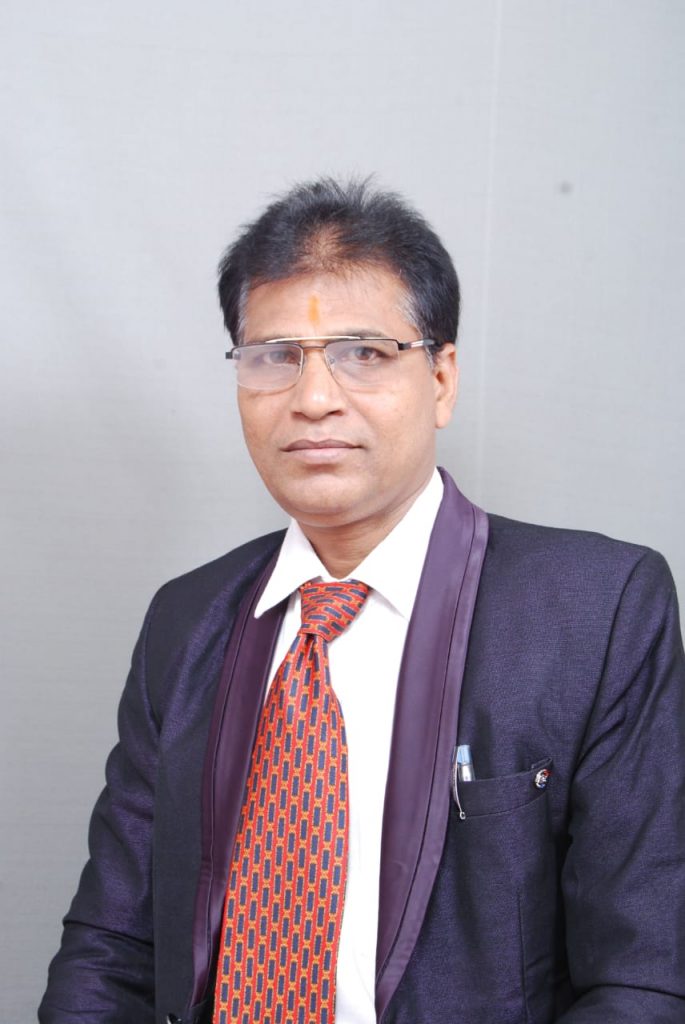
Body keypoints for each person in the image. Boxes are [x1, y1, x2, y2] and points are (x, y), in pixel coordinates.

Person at [40, 178, 685, 1024]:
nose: (313, 398)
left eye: (364, 354)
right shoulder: (186, 619)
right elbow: (110, 946)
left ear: (441, 379)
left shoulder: (593, 610)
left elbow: (641, 979)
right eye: (274, 356)